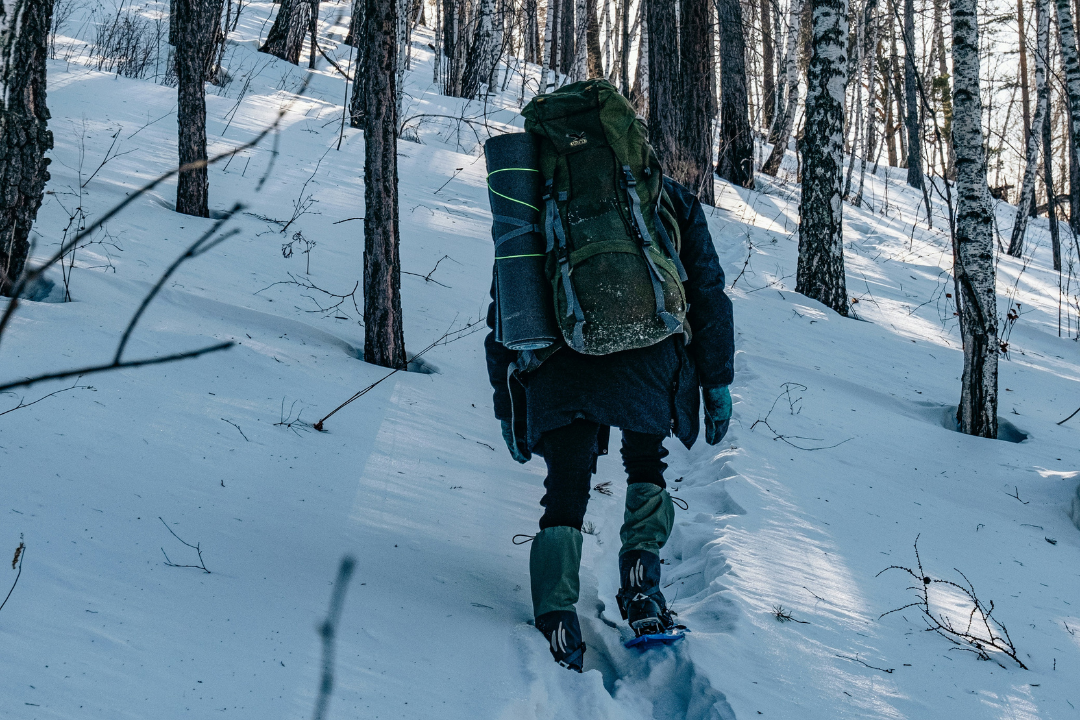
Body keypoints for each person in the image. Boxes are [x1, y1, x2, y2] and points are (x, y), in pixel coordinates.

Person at [484, 174, 735, 672]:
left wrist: (505, 402)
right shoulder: (664, 194)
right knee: (646, 460)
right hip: (651, 353)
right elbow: (706, 288)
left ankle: (557, 616)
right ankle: (642, 584)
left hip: (561, 358)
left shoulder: (535, 195)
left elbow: (506, 303)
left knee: (567, 482)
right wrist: (716, 380)